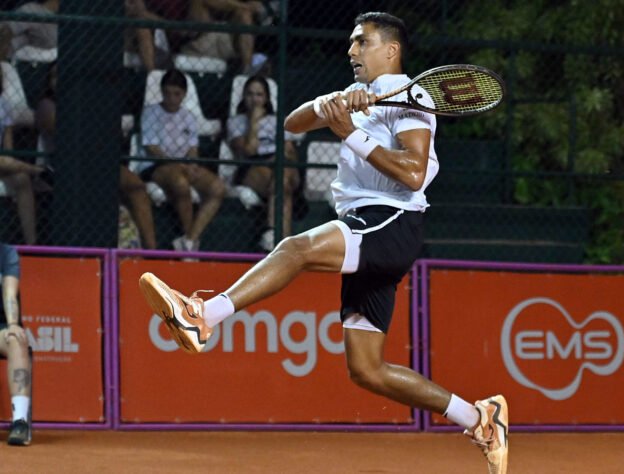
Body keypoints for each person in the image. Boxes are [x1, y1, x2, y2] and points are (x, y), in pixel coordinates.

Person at [138, 12, 508, 473]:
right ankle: (480, 418)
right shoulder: (359, 93)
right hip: (369, 226)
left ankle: (203, 316)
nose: (351, 50)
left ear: (391, 50)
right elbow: (294, 124)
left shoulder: (412, 96)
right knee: (367, 370)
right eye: (351, 42)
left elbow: (414, 174)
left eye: (362, 42)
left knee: (295, 249)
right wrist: (332, 104)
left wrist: (350, 133)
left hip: (389, 220)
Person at [35, 62, 158, 249]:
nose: (58, 81)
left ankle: (152, 250)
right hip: (67, 164)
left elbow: (109, 133)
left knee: (136, 186)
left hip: (99, 161)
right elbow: (65, 135)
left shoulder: (87, 100)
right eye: (54, 76)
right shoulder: (47, 105)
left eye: (62, 75)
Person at [138, 68, 225, 251]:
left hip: (183, 165)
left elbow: (193, 148)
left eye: (176, 94)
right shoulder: (150, 113)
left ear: (184, 94)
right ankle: (189, 241)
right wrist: (177, 164)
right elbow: (151, 147)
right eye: (167, 93)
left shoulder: (188, 117)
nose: (171, 98)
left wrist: (193, 164)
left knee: (217, 188)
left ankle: (189, 239)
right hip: (156, 166)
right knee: (180, 183)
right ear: (161, 92)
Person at [227, 74, 300, 251]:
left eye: (259, 95)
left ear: (266, 98)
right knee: (282, 185)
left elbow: (290, 151)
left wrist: (278, 158)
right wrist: (253, 121)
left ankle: (271, 234)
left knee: (282, 175)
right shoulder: (236, 122)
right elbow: (249, 151)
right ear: (243, 97)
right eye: (250, 94)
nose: (255, 99)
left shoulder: (279, 120)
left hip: (281, 164)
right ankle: (284, 244)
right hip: (252, 166)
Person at [0, 67, 44, 246]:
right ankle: (39, 171)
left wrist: (10, 162)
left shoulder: (3, 104)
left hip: (2, 163)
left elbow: (8, 148)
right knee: (21, 169)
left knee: (22, 179)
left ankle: (31, 245)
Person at [0, 242, 32, 446]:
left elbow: (10, 293)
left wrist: (13, 324)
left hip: (0, 328)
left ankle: (20, 422)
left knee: (16, 340)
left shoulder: (6, 254)